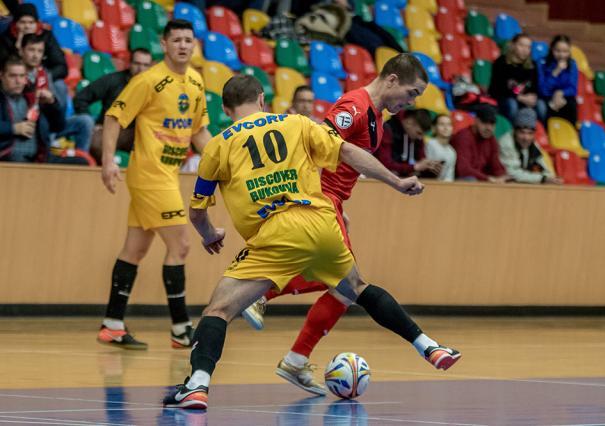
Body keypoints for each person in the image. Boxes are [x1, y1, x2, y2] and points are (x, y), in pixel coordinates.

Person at [162, 73, 460, 409]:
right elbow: (347, 152)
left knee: (219, 309)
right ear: (262, 100)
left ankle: (198, 385)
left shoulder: (217, 145)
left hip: (274, 234)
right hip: (321, 224)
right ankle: (429, 345)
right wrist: (395, 181)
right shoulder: (297, 123)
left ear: (227, 109)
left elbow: (198, 212)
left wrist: (210, 235)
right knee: (357, 288)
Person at [242, 53, 459, 396]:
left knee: (341, 291)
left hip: (332, 203)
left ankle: (295, 357)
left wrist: (339, 204)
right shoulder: (354, 105)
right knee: (353, 286)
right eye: (412, 92)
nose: (411, 101)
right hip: (320, 202)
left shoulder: (378, 117)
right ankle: (428, 346)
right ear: (391, 80)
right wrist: (319, 198)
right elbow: (315, 144)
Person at [97, 20, 211, 350]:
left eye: (188, 40)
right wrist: (107, 162)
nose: (183, 45)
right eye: (176, 40)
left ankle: (112, 324)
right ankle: (180, 329)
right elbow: (113, 116)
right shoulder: (148, 81)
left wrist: (224, 158)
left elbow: (199, 133)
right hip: (149, 175)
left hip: (168, 175)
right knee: (182, 246)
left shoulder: (196, 82)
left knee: (136, 249)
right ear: (164, 44)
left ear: (194, 45)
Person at [72, 48, 153, 163]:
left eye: (146, 65)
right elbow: (81, 98)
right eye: (137, 63)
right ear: (129, 63)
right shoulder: (113, 80)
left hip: (136, 133)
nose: (141, 69)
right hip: (109, 129)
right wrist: (91, 123)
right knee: (95, 143)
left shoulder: (154, 88)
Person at [19, 33, 93, 153]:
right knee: (40, 118)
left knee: (85, 121)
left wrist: (52, 101)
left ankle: (81, 161)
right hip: (24, 125)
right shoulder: (14, 72)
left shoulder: (45, 75)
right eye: (31, 50)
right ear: (21, 51)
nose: (35, 55)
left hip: (49, 127)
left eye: (39, 51)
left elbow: (58, 123)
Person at [0, 57, 65, 162]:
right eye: (13, 76)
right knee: (18, 160)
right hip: (7, 157)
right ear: (2, 76)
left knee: (81, 162)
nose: (18, 81)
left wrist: (52, 103)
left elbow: (59, 126)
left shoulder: (33, 99)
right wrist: (13, 128)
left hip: (39, 158)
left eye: (22, 76)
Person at [0, 4, 68, 101]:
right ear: (15, 24)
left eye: (31, 22)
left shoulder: (47, 36)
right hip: (17, 80)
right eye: (22, 22)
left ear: (37, 24)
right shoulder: (6, 39)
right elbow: (4, 68)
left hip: (42, 78)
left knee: (59, 85)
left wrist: (42, 79)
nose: (27, 26)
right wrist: (17, 49)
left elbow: (61, 67)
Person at [489, 33, 546, 123]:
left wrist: (533, 97)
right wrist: (519, 97)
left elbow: (535, 86)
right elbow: (497, 89)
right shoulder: (501, 62)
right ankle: (511, 132)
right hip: (506, 99)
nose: (525, 50)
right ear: (513, 45)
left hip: (525, 99)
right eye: (521, 45)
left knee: (541, 105)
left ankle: (541, 133)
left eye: (528, 47)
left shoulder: (532, 65)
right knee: (512, 104)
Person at [498, 108, 562, 184]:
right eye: (522, 132)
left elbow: (545, 170)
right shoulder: (506, 143)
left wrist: (549, 178)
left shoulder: (533, 144)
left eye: (530, 133)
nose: (526, 138)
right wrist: (542, 179)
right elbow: (512, 174)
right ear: (514, 131)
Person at [376, 109, 443, 177]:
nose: (420, 138)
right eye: (419, 133)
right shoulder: (388, 129)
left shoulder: (417, 137)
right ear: (409, 122)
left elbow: (421, 160)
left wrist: (428, 167)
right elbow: (384, 164)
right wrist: (414, 167)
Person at [451, 105, 508, 183]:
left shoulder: (491, 139)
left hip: (480, 180)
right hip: (456, 181)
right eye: (485, 122)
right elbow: (463, 170)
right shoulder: (464, 137)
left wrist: (503, 177)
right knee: (471, 180)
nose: (489, 128)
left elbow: (496, 165)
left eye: (492, 124)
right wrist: (488, 178)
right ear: (475, 121)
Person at [537, 34, 578, 125]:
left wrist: (560, 93)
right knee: (544, 106)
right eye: (557, 51)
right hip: (546, 97)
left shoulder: (572, 64)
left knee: (572, 104)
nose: (561, 55)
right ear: (552, 49)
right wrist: (556, 71)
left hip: (563, 97)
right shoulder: (542, 63)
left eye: (565, 51)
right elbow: (543, 89)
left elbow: (573, 89)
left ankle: (572, 134)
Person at [425, 114, 456, 182]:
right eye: (442, 124)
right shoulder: (430, 144)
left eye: (449, 124)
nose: (446, 127)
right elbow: (427, 171)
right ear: (434, 128)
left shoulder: (452, 151)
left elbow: (449, 177)